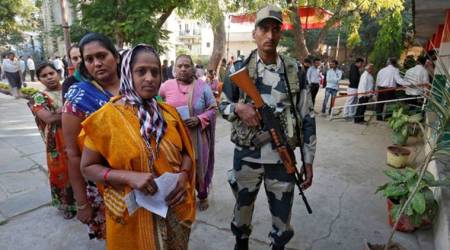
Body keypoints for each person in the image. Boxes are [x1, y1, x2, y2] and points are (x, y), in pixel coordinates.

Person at [80, 44, 196, 250]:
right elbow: (87, 167)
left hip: (173, 208)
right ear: (127, 73)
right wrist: (129, 177)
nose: (149, 78)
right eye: (141, 71)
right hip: (131, 213)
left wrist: (184, 175)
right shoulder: (105, 118)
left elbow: (186, 153)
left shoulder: (169, 113)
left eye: (155, 72)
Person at [219, 5, 316, 250]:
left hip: (282, 161)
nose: (270, 36)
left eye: (275, 29)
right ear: (254, 33)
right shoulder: (238, 69)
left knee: (282, 220)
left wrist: (308, 160)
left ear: (280, 34)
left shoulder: (294, 70)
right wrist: (238, 109)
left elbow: (307, 117)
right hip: (247, 155)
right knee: (242, 211)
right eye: (264, 28)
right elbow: (222, 105)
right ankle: (241, 243)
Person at [62, 32, 121, 239]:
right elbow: (73, 153)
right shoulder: (78, 97)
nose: (97, 63)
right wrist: (81, 202)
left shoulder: (136, 86)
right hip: (102, 185)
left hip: (142, 178)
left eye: (102, 56)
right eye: (89, 59)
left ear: (116, 56)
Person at [159, 55, 216, 211]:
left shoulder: (202, 87)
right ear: (174, 69)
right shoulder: (166, 86)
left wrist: (199, 119)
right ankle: (181, 195)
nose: (183, 69)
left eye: (187, 66)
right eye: (180, 66)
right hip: (174, 137)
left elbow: (213, 108)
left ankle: (202, 195)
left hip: (197, 136)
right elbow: (155, 101)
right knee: (176, 166)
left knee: (199, 166)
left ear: (193, 68)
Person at [28, 63, 76, 219]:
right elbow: (48, 118)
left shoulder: (71, 89)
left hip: (76, 135)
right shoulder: (38, 97)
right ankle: (66, 205)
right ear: (39, 79)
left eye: (51, 73)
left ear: (58, 73)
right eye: (44, 76)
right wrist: (73, 113)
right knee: (61, 172)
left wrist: (62, 113)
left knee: (80, 166)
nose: (49, 77)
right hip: (57, 140)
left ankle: (84, 200)